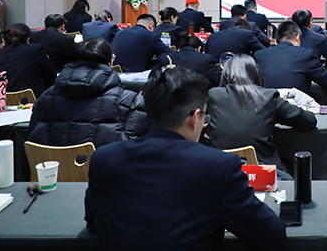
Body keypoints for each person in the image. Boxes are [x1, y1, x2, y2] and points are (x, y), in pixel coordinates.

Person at [85, 65, 286, 250]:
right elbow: (271, 236)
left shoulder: (104, 159)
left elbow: (93, 221)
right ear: (194, 117)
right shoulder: (218, 166)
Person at [206, 55, 317, 176]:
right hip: (264, 172)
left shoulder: (213, 95)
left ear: (225, 75)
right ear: (256, 73)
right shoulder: (268, 96)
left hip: (219, 170)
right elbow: (308, 121)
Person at [28, 38, 147, 148]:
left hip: (50, 164)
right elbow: (136, 148)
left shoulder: (45, 97)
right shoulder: (131, 102)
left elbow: (33, 138)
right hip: (104, 164)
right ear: (109, 64)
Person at [254, 21, 327, 96]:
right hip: (296, 106)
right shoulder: (306, 55)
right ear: (297, 37)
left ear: (276, 40)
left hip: (266, 105)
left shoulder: (259, 55)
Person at [0, 24, 57, 97]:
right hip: (34, 102)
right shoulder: (35, 51)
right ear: (28, 39)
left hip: (1, 104)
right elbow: (51, 77)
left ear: (4, 41)